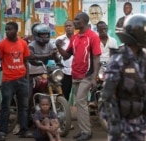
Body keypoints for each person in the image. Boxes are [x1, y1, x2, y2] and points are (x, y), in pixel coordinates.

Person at [101, 14, 146, 141]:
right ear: (140, 35)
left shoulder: (141, 58)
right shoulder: (119, 59)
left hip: (139, 121)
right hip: (122, 123)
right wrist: (114, 123)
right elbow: (108, 95)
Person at [55, 12, 101, 141]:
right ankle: (83, 130)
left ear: (85, 21)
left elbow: (97, 57)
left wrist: (94, 77)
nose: (74, 22)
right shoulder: (75, 38)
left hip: (87, 75)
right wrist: (59, 47)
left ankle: (87, 131)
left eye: (77, 20)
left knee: (80, 101)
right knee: (80, 103)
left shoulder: (93, 37)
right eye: (74, 20)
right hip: (75, 74)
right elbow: (67, 55)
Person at [0, 22, 32, 141]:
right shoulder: (1, 45)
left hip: (22, 80)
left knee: (24, 107)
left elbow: (26, 61)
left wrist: (26, 78)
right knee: (5, 107)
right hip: (8, 81)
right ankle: (2, 132)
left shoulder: (23, 43)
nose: (7, 32)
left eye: (9, 29)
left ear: (16, 30)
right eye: (6, 30)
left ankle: (24, 131)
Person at [88, 20, 118, 108]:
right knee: (95, 81)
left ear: (107, 29)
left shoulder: (113, 41)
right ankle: (93, 100)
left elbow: (115, 55)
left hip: (109, 66)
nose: (103, 31)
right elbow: (92, 55)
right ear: (97, 30)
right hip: (97, 65)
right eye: (101, 29)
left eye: (105, 29)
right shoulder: (94, 40)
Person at [55, 20, 75, 101]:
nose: (68, 28)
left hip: (77, 71)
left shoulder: (78, 39)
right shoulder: (59, 40)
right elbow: (56, 55)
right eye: (66, 26)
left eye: (70, 26)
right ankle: (64, 111)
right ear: (64, 28)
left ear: (74, 27)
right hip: (65, 71)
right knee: (64, 94)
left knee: (79, 96)